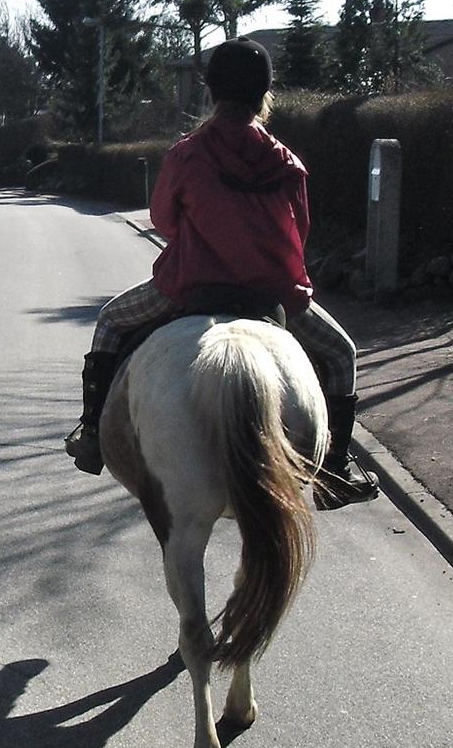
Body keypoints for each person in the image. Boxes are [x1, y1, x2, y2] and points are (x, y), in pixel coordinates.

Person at [64, 36, 378, 510]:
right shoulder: (288, 165)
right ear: (264, 95)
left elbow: (165, 221)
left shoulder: (187, 155)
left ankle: (91, 436)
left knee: (110, 323)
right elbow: (302, 234)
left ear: (210, 92)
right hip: (273, 295)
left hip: (190, 288)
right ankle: (333, 469)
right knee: (341, 354)